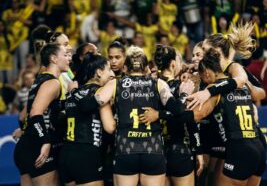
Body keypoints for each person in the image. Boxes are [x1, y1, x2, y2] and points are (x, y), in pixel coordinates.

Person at [92, 46, 192, 186]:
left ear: (125, 68)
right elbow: (178, 109)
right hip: (153, 150)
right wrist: (184, 94)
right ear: (146, 68)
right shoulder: (158, 84)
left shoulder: (115, 84)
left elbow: (92, 103)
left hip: (125, 149)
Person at [190, 48, 266, 186]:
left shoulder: (216, 87)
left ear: (207, 72)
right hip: (257, 145)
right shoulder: (242, 85)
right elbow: (256, 93)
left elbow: (195, 116)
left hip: (238, 148)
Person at [14, 43, 71, 186]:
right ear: (53, 58)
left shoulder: (39, 80)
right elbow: (35, 113)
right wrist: (45, 141)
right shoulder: (53, 82)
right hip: (38, 147)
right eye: (65, 55)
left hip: (25, 146)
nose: (69, 58)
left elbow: (22, 116)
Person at [59, 53, 116, 186]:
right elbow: (109, 127)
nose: (111, 73)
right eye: (108, 69)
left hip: (67, 153)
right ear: (99, 72)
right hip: (87, 154)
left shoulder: (74, 92)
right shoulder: (100, 92)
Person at [151, 44, 202, 186]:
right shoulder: (183, 85)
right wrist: (198, 149)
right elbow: (191, 120)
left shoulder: (150, 85)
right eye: (180, 61)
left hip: (155, 150)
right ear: (173, 64)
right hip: (178, 150)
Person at [188, 22, 266, 109]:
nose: (202, 53)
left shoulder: (233, 67)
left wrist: (208, 92)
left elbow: (257, 90)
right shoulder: (208, 68)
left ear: (216, 50)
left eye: (204, 49)